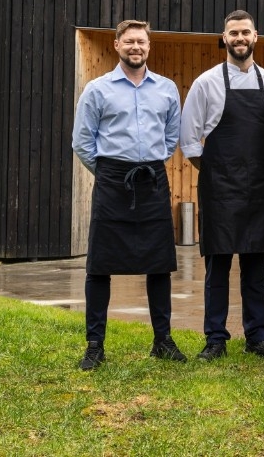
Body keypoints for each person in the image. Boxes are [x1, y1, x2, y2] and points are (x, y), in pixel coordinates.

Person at [71, 19, 186, 369]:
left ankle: (163, 340)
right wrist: (109, 174)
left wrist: (149, 163)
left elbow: (171, 137)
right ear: (117, 45)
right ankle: (95, 345)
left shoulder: (166, 89)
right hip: (112, 182)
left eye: (141, 41)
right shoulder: (97, 89)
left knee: (159, 264)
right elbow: (82, 141)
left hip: (152, 181)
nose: (136, 47)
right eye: (129, 41)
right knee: (99, 266)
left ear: (149, 46)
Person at [181, 10, 264, 360]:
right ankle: (216, 339)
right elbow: (189, 141)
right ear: (224, 38)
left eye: (245, 32)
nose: (239, 38)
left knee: (256, 268)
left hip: (259, 186)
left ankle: (257, 337)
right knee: (217, 268)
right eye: (233, 33)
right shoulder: (206, 83)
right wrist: (216, 171)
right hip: (219, 189)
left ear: (255, 36)